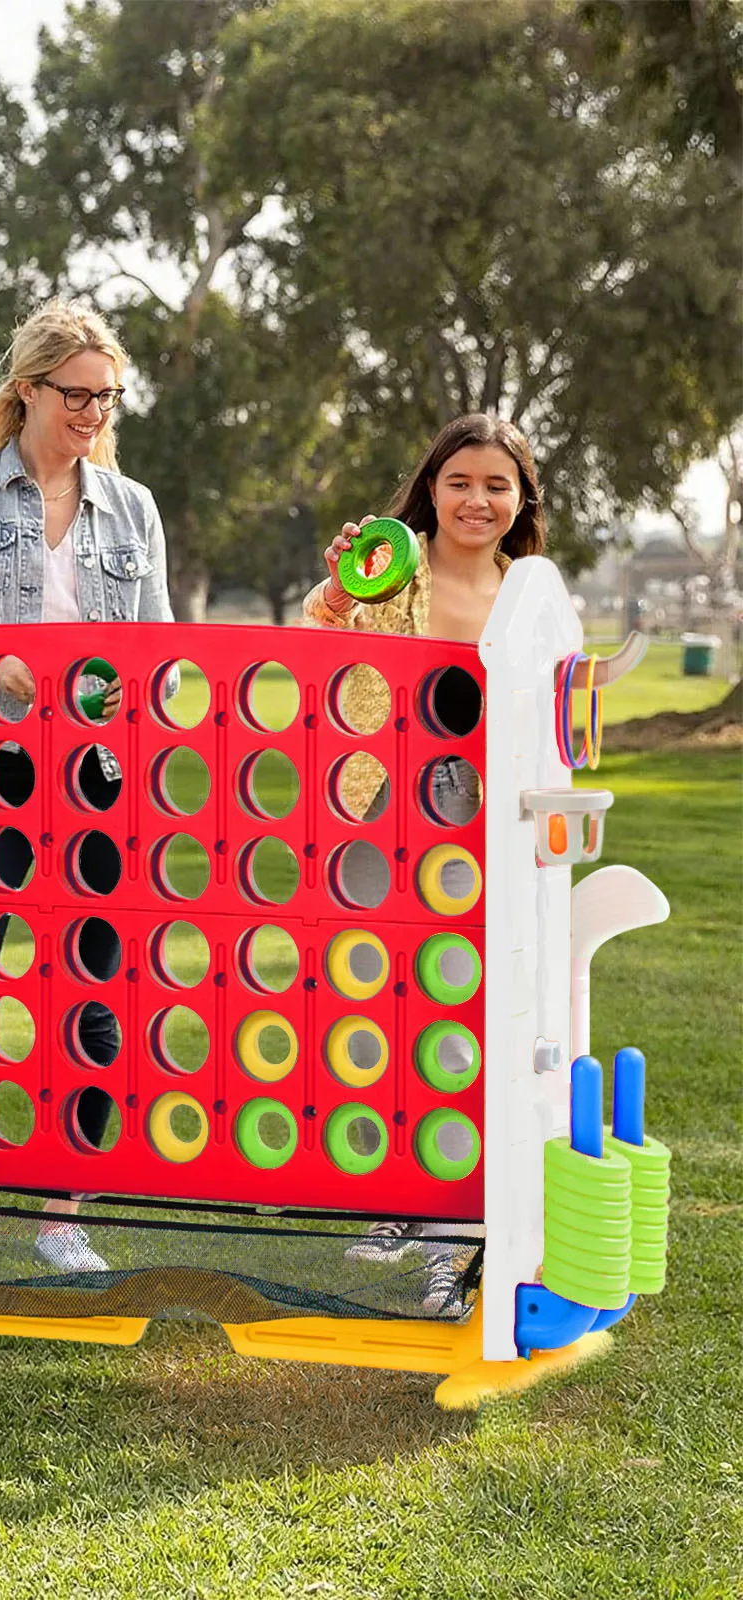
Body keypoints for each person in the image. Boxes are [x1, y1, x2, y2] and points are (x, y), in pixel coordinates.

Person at [0, 299, 174, 1282]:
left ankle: (63, 1219)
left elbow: (161, 657)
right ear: (28, 390)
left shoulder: (132, 509)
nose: (93, 412)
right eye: (77, 394)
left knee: (91, 1000)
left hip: (95, 782)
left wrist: (131, 685)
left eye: (106, 397)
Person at [303, 411, 548, 1315]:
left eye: (496, 486)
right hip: (377, 803)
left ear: (521, 500)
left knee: (456, 1009)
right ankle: (394, 1198)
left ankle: (448, 1231)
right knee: (376, 1002)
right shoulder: (389, 569)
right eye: (459, 482)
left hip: (474, 813)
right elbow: (319, 634)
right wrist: (339, 588)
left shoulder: (530, 593)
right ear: (432, 490)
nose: (477, 500)